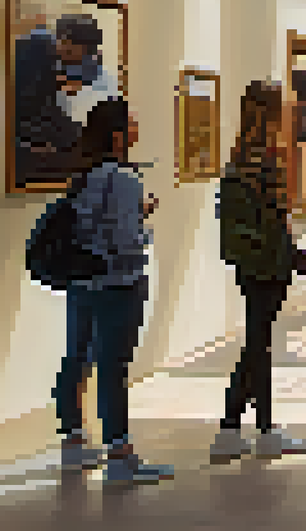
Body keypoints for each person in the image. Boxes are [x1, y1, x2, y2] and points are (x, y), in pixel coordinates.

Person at [53, 96, 174, 486]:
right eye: (132, 124)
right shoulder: (122, 178)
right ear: (118, 135)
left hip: (82, 281)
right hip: (118, 283)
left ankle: (73, 440)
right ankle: (119, 454)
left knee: (77, 357)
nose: (137, 130)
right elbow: (125, 240)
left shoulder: (83, 174)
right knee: (113, 366)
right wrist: (143, 222)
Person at [210, 81, 306, 463]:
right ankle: (255, 429)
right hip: (269, 261)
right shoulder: (269, 158)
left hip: (248, 260)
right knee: (259, 343)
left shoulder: (240, 155)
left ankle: (235, 427)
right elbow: (284, 208)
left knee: (257, 340)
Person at [14, 14, 102, 184]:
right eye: (79, 54)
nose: (79, 60)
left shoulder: (75, 60)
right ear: (65, 42)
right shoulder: (30, 51)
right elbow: (26, 107)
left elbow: (51, 106)